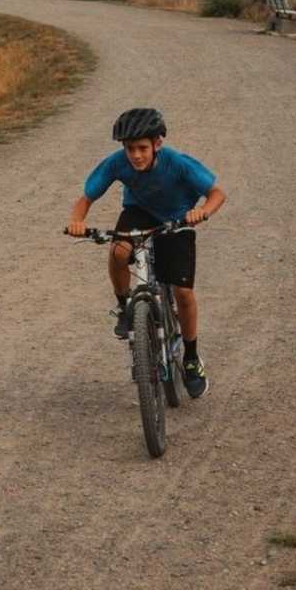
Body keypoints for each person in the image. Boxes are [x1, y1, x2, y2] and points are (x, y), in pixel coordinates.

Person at [65, 108, 226, 399]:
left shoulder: (178, 163)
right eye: (130, 149)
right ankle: (125, 306)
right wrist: (77, 221)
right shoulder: (117, 163)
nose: (136, 155)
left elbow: (217, 193)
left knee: (183, 293)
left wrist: (201, 212)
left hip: (178, 220)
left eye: (142, 148)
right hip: (139, 213)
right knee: (118, 251)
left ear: (157, 144)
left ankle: (191, 359)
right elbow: (86, 198)